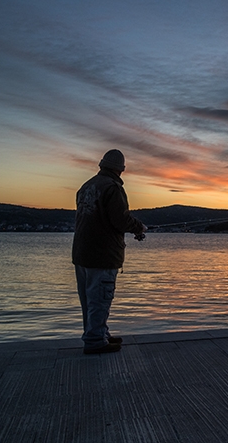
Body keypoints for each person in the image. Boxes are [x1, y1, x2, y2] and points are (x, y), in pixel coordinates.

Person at [72, 149, 146, 354]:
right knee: (100, 297)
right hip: (102, 254)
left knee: (88, 299)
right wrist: (138, 227)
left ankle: (99, 333)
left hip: (81, 253)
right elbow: (120, 220)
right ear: (120, 170)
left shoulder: (86, 186)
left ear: (101, 165)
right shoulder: (112, 188)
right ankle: (95, 340)